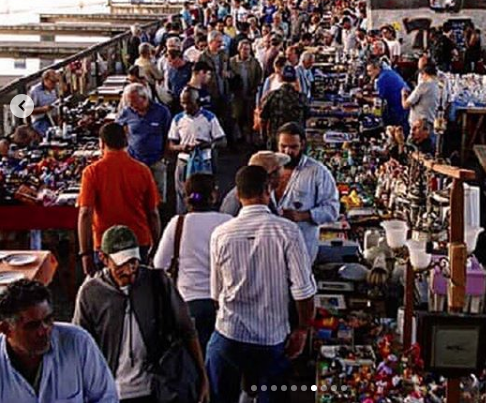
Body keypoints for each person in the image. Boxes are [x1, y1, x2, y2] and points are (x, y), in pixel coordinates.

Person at [207, 165, 316, 403]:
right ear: (268, 191)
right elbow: (303, 291)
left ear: (238, 195)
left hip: (229, 335)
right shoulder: (287, 231)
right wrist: (303, 329)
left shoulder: (220, 234)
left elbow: (216, 295)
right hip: (271, 339)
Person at [73, 225, 208, 403]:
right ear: (104, 258)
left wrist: (202, 377)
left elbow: (187, 329)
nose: (129, 271)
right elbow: (80, 344)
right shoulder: (91, 292)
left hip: (157, 389)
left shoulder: (158, 282)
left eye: (133, 262)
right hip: (112, 391)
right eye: (121, 264)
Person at [0, 279, 118, 403]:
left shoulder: (78, 342)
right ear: (6, 329)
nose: (43, 331)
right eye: (32, 326)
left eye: (48, 320)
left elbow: (106, 397)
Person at [154, 174, 231, 355]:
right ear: (214, 195)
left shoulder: (178, 224)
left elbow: (159, 264)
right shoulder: (228, 222)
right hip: (224, 303)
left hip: (188, 302)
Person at [77, 122, 161, 275]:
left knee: (107, 293)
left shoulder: (92, 172)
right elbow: (153, 213)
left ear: (101, 143)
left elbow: (85, 214)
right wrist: (156, 245)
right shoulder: (143, 170)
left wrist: (85, 254)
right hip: (138, 242)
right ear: (126, 141)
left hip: (106, 245)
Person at [274, 122, 340, 262]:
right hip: (271, 247)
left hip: (301, 249)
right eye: (283, 146)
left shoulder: (317, 172)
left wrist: (302, 215)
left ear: (302, 145)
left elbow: (332, 210)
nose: (287, 152)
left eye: (293, 147)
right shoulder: (269, 169)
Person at [168, 87, 227, 214]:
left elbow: (222, 141)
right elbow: (171, 145)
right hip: (184, 162)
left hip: (204, 163)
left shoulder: (209, 118)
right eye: (182, 103)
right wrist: (182, 147)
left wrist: (208, 144)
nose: (185, 106)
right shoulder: (178, 119)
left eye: (188, 102)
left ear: (197, 101)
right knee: (183, 194)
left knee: (202, 195)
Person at [117, 83, 171, 208]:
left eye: (134, 102)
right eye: (129, 102)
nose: (131, 106)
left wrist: (165, 157)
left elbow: (169, 135)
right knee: (137, 196)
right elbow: (118, 131)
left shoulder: (162, 112)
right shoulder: (126, 112)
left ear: (144, 98)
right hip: (135, 161)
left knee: (158, 197)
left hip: (156, 161)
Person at [220, 150, 290, 217]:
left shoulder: (249, 193)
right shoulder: (255, 199)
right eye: (280, 168)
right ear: (272, 175)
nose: (283, 174)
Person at [260, 65, 309, 150]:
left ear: (281, 78)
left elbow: (263, 119)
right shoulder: (302, 98)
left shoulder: (272, 96)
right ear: (296, 79)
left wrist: (264, 137)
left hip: (276, 139)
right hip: (295, 141)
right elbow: (307, 117)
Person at [229, 40, 263, 143]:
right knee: (237, 115)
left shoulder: (254, 62)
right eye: (243, 49)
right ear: (239, 50)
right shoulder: (232, 62)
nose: (245, 51)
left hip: (250, 94)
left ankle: (249, 138)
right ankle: (239, 137)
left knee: (249, 117)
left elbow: (259, 76)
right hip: (237, 95)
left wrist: (255, 87)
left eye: (248, 49)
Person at [366, 60, 409, 132]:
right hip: (402, 105)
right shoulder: (387, 72)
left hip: (398, 108)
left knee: (397, 130)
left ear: (377, 69)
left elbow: (379, 101)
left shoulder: (382, 79)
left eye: (370, 71)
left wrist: (375, 115)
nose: (368, 74)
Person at [401, 60, 440, 127]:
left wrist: (403, 95)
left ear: (424, 73)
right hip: (431, 121)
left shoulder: (423, 85)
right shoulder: (437, 86)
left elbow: (405, 105)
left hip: (418, 125)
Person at [28, 69, 61, 137]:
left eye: (56, 82)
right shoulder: (35, 91)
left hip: (53, 120)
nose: (54, 84)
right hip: (40, 122)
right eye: (52, 82)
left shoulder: (54, 89)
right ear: (45, 80)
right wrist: (43, 109)